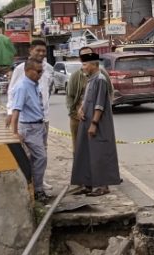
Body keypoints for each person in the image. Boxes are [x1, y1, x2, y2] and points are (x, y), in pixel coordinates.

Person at [70, 52, 121, 196]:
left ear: (93, 64)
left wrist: (94, 123)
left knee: (99, 154)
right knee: (85, 153)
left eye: (85, 65)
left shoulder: (100, 80)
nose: (83, 68)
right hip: (85, 122)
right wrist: (81, 109)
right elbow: (87, 100)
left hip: (97, 124)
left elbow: (99, 104)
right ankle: (88, 184)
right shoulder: (91, 79)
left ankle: (102, 186)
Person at [7, 39, 55, 191]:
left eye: (43, 51)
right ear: (30, 51)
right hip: (26, 120)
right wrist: (11, 114)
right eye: (38, 50)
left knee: (42, 151)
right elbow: (12, 92)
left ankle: (40, 179)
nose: (41, 53)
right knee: (33, 154)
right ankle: (33, 184)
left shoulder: (48, 68)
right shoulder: (21, 69)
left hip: (42, 117)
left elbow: (49, 89)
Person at [9, 59, 49, 202]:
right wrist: (15, 132)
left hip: (38, 125)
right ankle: (38, 190)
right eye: (38, 71)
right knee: (41, 157)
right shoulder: (22, 87)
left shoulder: (34, 85)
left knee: (35, 159)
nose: (40, 74)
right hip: (29, 127)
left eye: (41, 71)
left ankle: (34, 187)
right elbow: (16, 111)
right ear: (27, 71)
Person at [66, 46, 113, 154]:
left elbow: (109, 93)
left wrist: (104, 114)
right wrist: (74, 113)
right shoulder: (75, 76)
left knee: (97, 150)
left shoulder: (101, 76)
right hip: (78, 119)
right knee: (79, 151)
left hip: (97, 120)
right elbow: (69, 96)